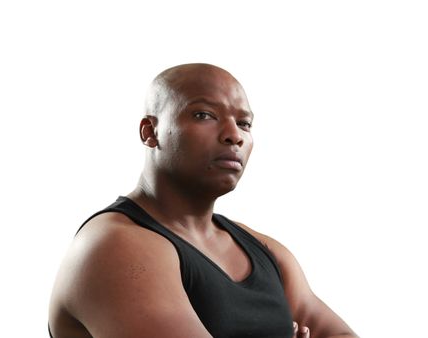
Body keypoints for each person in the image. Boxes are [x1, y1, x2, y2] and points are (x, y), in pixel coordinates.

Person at [48, 63, 357, 338]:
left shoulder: (266, 252)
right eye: (204, 115)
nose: (233, 135)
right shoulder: (111, 247)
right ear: (150, 131)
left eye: (244, 123)